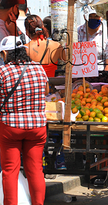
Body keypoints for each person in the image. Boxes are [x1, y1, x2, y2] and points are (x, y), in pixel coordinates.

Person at [0, 35, 49, 205]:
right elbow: (46, 90)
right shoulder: (38, 68)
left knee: (9, 171)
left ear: (6, 54)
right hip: (37, 126)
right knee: (35, 170)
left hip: (10, 127)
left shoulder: (3, 72)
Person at [77, 5, 108, 71]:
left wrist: (105, 73)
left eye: (96, 16)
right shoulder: (77, 31)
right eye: (90, 16)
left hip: (99, 73)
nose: (93, 18)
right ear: (85, 17)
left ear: (101, 18)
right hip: (80, 72)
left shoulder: (107, 33)